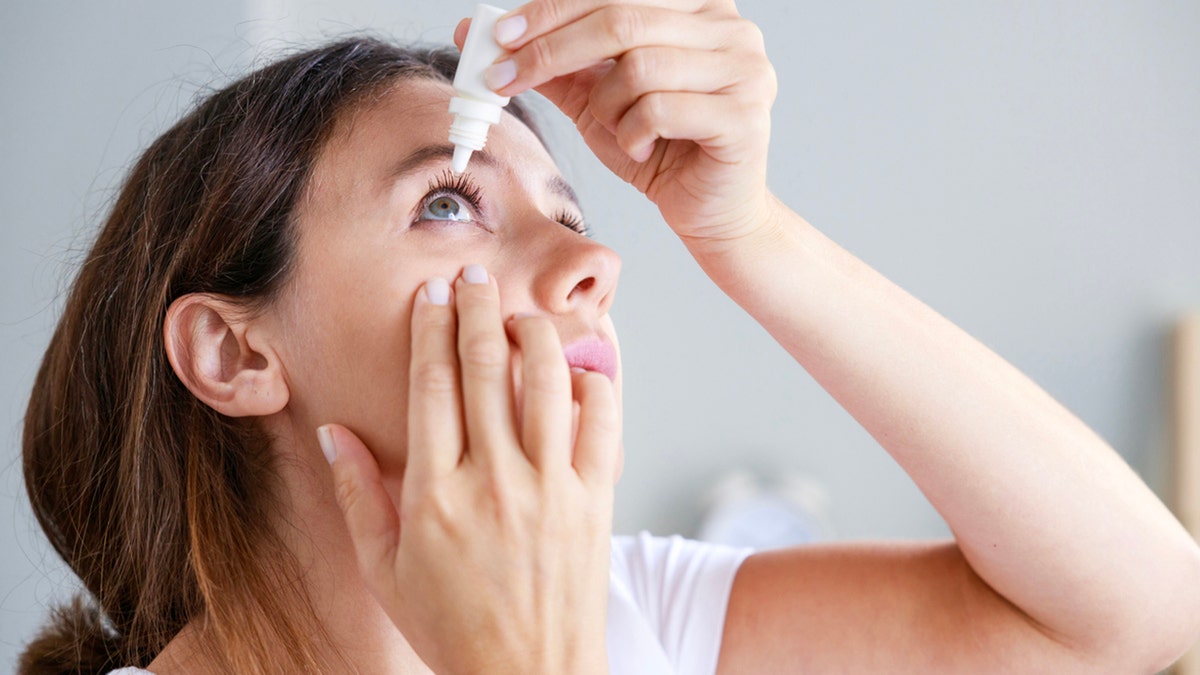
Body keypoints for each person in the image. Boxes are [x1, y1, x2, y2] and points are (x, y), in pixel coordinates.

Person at [19, 1, 1200, 673]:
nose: (596, 266)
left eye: (574, 216)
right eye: (448, 203)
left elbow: (1132, 615)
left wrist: (747, 232)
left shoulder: (633, 616)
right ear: (235, 354)